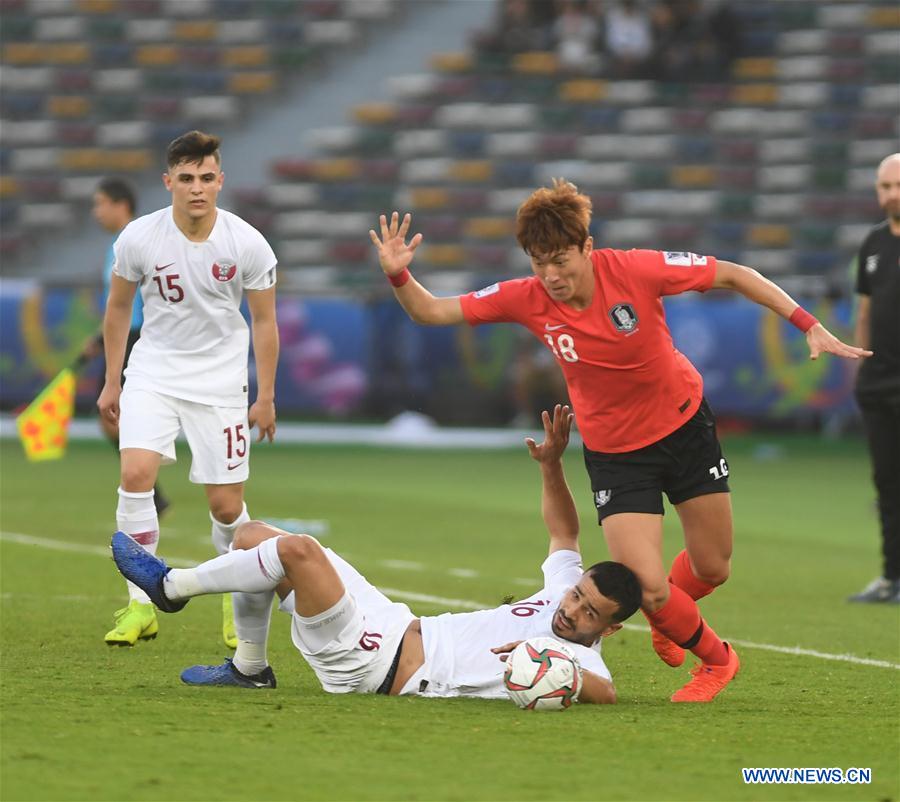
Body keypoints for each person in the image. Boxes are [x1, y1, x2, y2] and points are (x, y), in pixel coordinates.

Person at [368, 181, 871, 703]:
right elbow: (431, 312)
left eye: (560, 261)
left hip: (686, 428)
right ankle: (717, 662)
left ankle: (669, 612)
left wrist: (808, 324)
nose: (551, 276)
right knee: (648, 587)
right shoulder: (527, 296)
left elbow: (733, 273)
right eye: (539, 263)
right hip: (616, 456)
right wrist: (397, 272)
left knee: (713, 567)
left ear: (588, 247)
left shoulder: (636, 269)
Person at [110, 405, 643, 704]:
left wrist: (562, 674)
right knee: (251, 535)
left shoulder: (579, 657)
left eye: (590, 613)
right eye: (578, 595)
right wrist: (551, 464)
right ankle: (250, 668)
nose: (572, 610)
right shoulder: (560, 593)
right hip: (393, 621)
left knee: (296, 550)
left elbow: (606, 693)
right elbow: (564, 535)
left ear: (610, 629)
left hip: (376, 666)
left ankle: (171, 588)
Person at [98, 130, 279, 648]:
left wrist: (264, 396)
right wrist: (114, 380)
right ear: (168, 182)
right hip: (153, 372)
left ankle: (231, 593)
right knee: (135, 474)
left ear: (220, 181)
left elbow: (264, 322)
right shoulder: (138, 237)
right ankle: (139, 605)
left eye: (205, 178)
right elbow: (116, 309)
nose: (196, 188)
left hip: (221, 383)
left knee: (225, 507)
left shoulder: (247, 242)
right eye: (185, 179)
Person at [78, 178, 171, 531]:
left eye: (100, 202)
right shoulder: (116, 246)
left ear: (121, 205)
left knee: (119, 417)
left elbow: (139, 301)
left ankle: (144, 493)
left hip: (139, 339)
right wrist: (100, 337)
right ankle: (148, 494)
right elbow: (116, 304)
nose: (96, 211)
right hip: (120, 337)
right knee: (113, 418)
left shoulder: (137, 242)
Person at [848, 153, 900, 604]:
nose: (892, 194)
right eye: (885, 186)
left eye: (898, 185)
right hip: (879, 383)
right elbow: (866, 310)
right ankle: (891, 577)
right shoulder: (874, 244)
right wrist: (861, 365)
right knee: (887, 482)